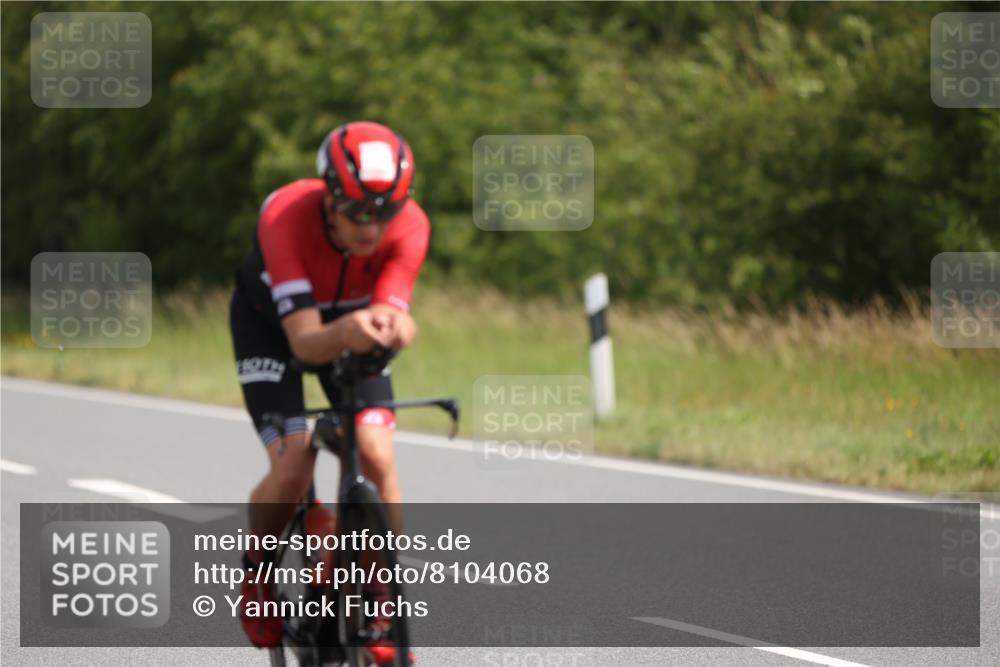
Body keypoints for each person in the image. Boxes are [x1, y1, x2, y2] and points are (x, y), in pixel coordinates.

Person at [228, 121, 429, 662]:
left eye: (385, 213)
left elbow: (392, 312)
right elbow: (308, 342)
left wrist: (397, 328)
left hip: (350, 323)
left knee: (376, 453)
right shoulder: (286, 216)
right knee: (294, 465)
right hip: (275, 327)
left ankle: (382, 593)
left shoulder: (410, 226)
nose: (373, 228)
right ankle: (259, 574)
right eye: (359, 212)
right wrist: (353, 329)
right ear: (328, 199)